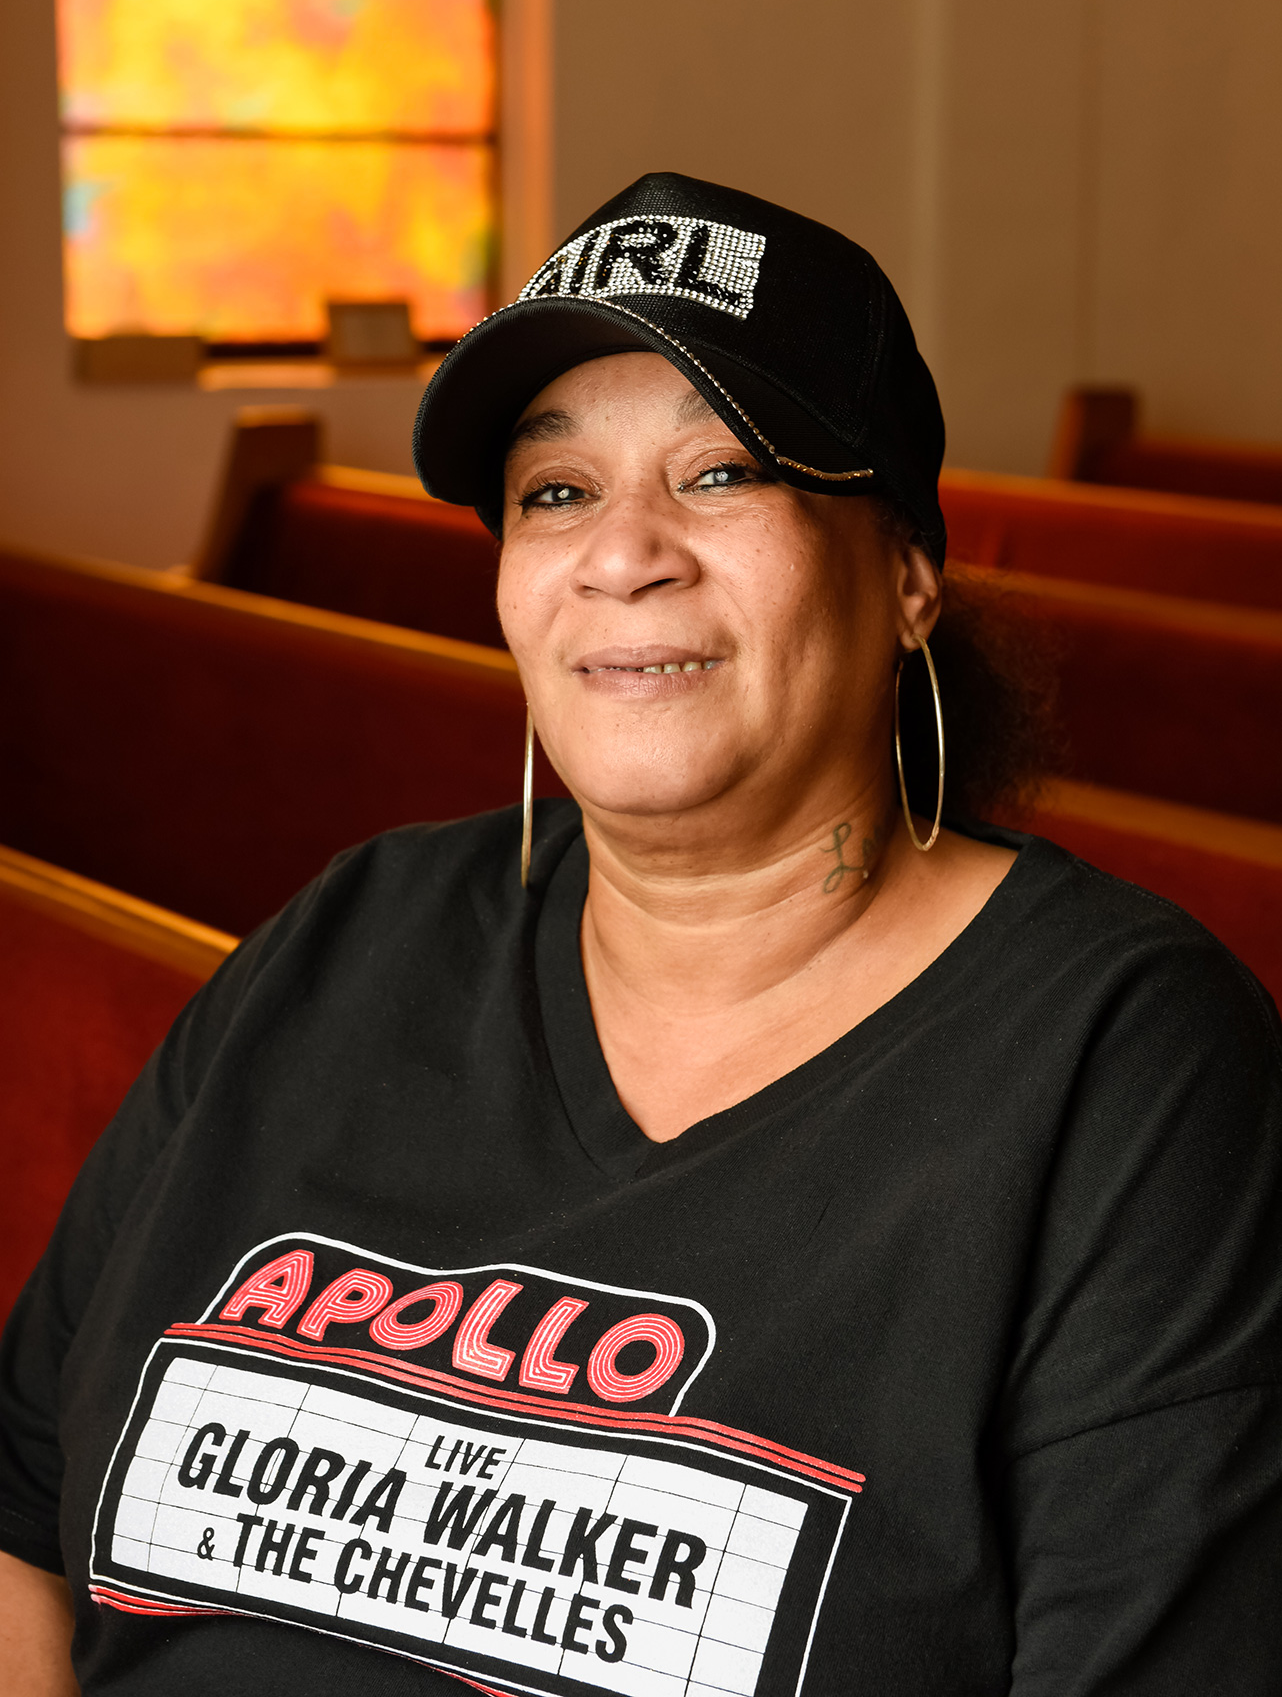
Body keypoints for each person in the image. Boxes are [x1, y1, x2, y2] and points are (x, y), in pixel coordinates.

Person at [2, 171, 1280, 1696]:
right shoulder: (351, 933)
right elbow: (22, 1522)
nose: (624, 552)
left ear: (908, 579)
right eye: (557, 492)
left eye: (723, 475)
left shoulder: (1120, 1067)